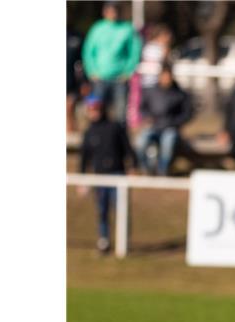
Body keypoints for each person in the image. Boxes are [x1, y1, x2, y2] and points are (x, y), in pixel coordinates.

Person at [78, 96, 136, 254]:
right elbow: (84, 159)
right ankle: (104, 241)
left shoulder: (115, 127)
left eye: (96, 108)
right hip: (99, 178)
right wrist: (82, 180)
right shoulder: (89, 133)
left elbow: (128, 148)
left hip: (117, 174)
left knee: (121, 209)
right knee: (102, 210)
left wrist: (133, 167)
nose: (94, 112)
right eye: (91, 109)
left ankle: (124, 242)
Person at [82, 2, 141, 123]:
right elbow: (88, 51)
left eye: (114, 11)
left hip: (120, 78)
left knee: (120, 113)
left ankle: (120, 139)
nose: (112, 14)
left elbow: (135, 52)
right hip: (99, 78)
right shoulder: (97, 28)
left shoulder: (127, 28)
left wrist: (128, 71)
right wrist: (91, 71)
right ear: (104, 12)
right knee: (97, 111)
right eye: (109, 11)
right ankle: (98, 139)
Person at [136, 65, 192, 176]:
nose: (166, 79)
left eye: (168, 77)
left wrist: (175, 122)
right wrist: (147, 118)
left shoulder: (179, 93)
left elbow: (187, 113)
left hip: (170, 128)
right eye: (164, 76)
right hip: (153, 127)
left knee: (168, 141)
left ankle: (163, 170)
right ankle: (145, 169)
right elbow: (142, 108)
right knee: (140, 142)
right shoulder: (151, 91)